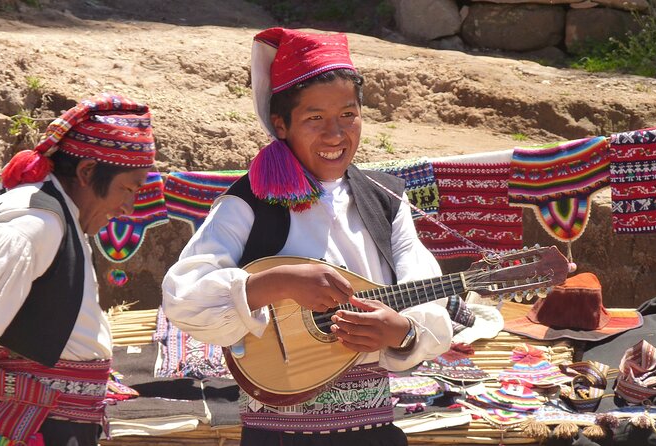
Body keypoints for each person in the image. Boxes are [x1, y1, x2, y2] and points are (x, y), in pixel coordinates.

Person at [162, 28, 454, 446]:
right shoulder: (247, 202)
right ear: (281, 124)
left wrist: (402, 332)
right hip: (279, 436)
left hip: (372, 432)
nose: (336, 134)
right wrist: (275, 284)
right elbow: (183, 298)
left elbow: (427, 300)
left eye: (348, 115)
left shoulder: (387, 200)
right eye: (315, 118)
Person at [0, 93, 156, 446]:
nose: (128, 207)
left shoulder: (63, 219)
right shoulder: (33, 225)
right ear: (87, 172)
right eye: (127, 189)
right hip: (32, 426)